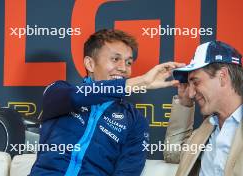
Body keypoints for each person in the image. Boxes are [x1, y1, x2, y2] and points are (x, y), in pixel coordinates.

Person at [30, 29, 184, 176]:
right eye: (115, 59)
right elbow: (77, 97)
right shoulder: (58, 91)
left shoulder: (135, 120)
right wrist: (142, 82)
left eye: (129, 62)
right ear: (90, 64)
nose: (123, 68)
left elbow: (127, 172)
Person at [164, 41, 243, 176]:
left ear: (222, 76)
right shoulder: (209, 126)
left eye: (196, 82)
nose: (191, 93)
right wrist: (184, 102)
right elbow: (173, 152)